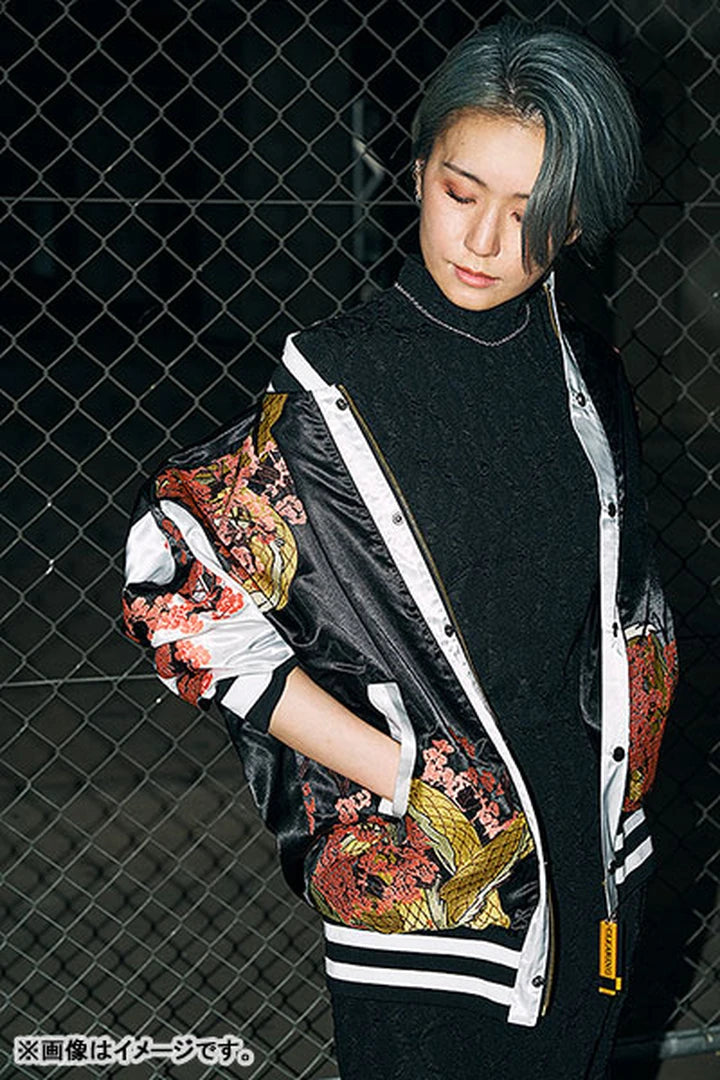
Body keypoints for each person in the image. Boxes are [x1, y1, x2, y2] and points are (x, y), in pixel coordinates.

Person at [122, 17, 678, 1079]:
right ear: (417, 172)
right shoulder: (344, 384)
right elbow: (174, 585)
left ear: (574, 222)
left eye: (531, 212)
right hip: (432, 893)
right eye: (462, 193)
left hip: (594, 851)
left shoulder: (587, 376)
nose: (486, 241)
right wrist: (399, 773)